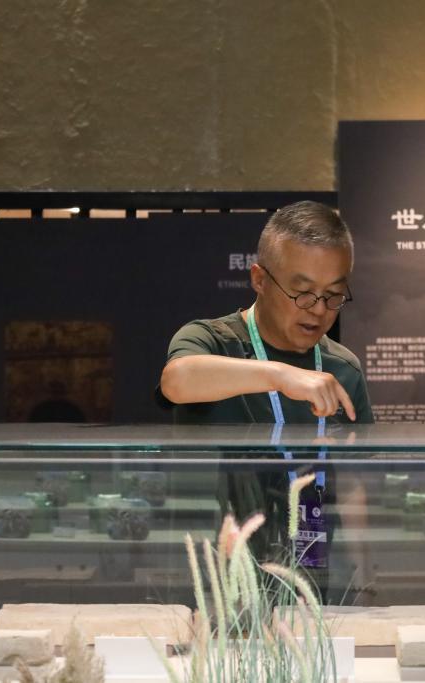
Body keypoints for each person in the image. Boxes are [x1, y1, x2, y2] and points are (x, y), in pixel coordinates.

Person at [157, 200, 373, 601]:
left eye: (333, 295)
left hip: (311, 574)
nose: (319, 310)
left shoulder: (342, 368)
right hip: (216, 576)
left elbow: (353, 482)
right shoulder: (211, 340)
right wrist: (279, 374)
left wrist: (365, 573)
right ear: (259, 279)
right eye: (302, 293)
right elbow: (177, 381)